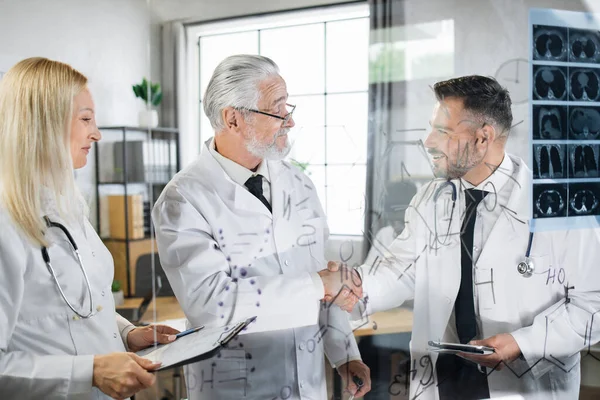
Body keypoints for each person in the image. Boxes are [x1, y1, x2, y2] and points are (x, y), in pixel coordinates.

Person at [331, 75, 600, 399]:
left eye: (442, 131)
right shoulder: (431, 198)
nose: (429, 141)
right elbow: (399, 270)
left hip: (524, 384)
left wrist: (521, 342)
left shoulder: (561, 203)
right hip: (444, 379)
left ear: (483, 137)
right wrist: (357, 287)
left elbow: (593, 303)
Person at [152, 54, 369, 400]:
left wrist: (344, 354)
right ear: (233, 119)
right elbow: (213, 306)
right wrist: (317, 283)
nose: (290, 121)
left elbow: (321, 280)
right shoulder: (184, 200)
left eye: (288, 107)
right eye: (277, 109)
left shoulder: (298, 183)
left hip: (309, 385)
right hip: (238, 388)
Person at [0, 57, 180, 400]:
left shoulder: (68, 209)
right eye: (85, 119)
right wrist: (91, 370)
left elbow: (77, 308)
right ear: (43, 124)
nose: (96, 134)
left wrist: (127, 333)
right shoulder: (5, 222)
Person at [363, 179, 418, 268]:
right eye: (392, 221)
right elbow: (369, 268)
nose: (396, 226)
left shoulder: (422, 238)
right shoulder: (384, 235)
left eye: (400, 221)